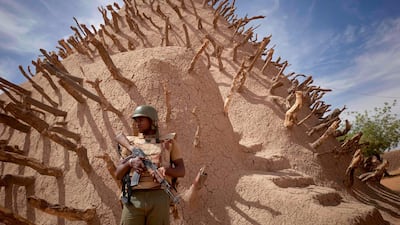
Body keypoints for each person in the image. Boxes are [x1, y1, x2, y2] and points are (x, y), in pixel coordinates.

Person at [115, 105, 185, 225]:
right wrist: (131, 163)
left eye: (141, 120)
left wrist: (165, 170)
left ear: (152, 120)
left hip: (159, 196)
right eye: (136, 120)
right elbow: (118, 174)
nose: (137, 123)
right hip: (134, 197)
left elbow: (181, 171)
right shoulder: (131, 144)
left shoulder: (168, 142)